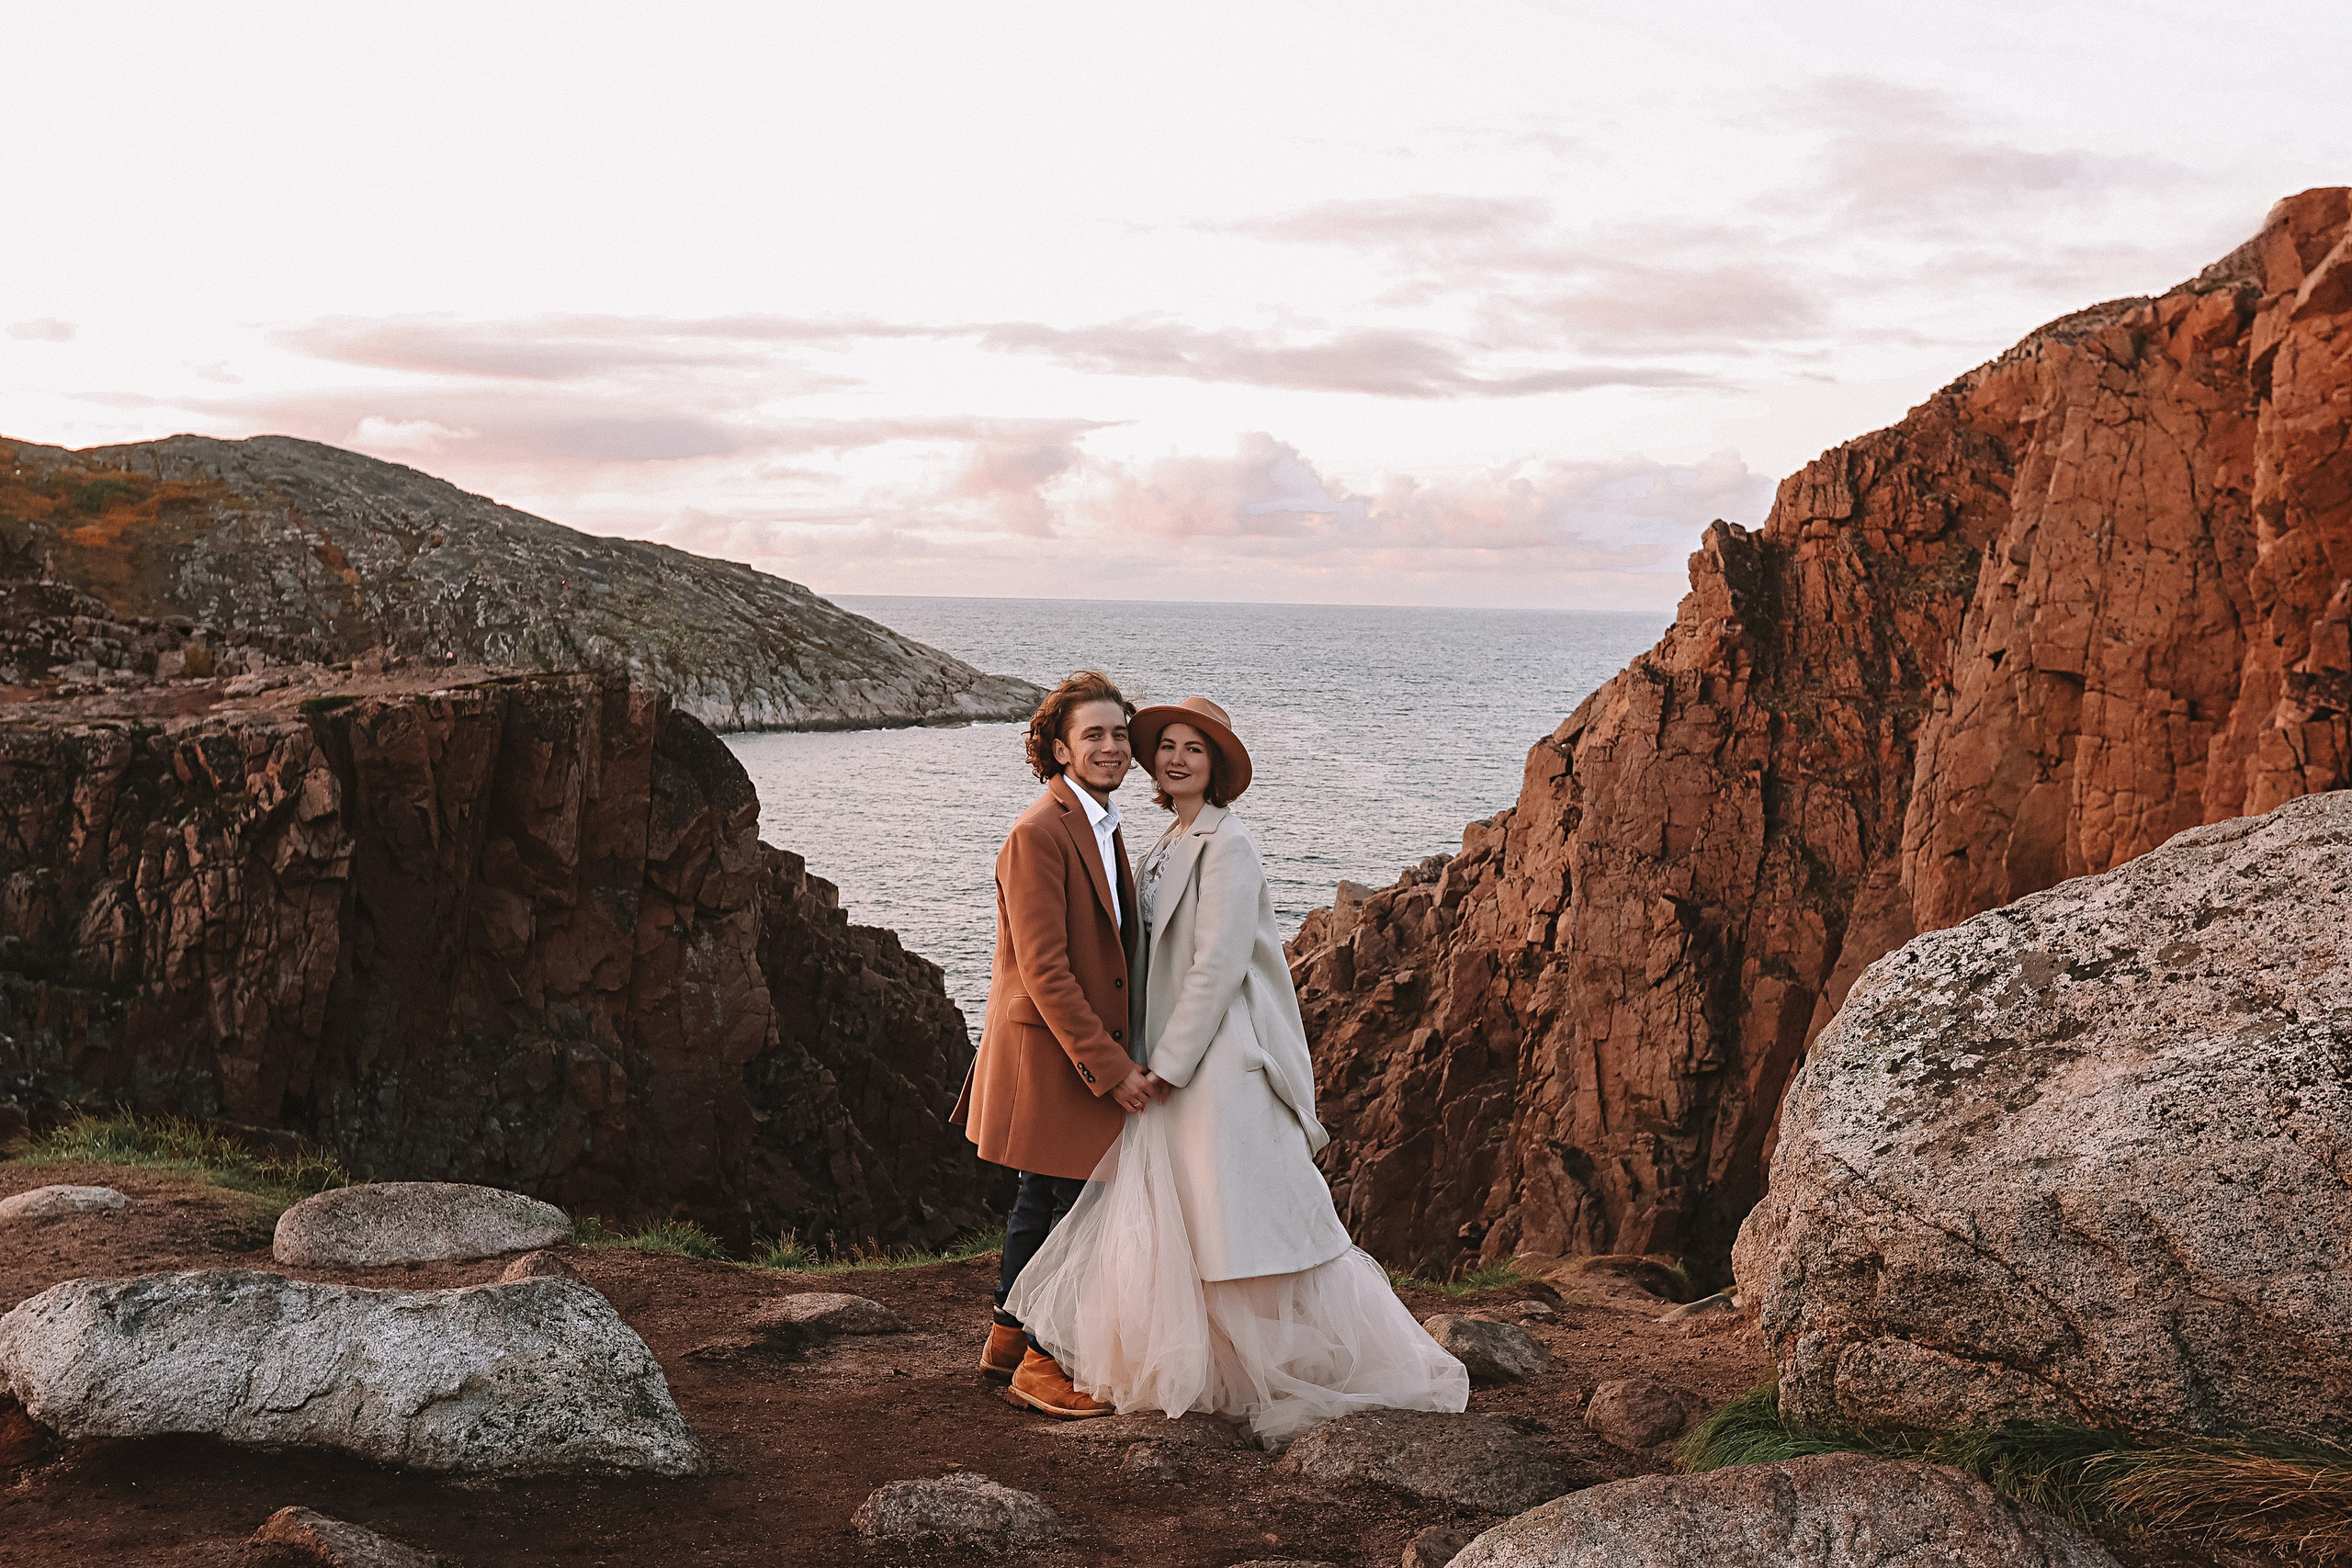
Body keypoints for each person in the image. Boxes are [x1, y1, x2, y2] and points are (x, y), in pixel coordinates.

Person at [1007, 696, 1469, 1441]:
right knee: (1188, 1216)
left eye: (1196, 748)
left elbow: (1217, 967)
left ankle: (1266, 1366)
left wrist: (1168, 1064)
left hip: (1214, 1061)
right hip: (1163, 1061)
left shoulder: (1228, 843)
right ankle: (1195, 1362)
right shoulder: (1163, 842)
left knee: (1237, 1216)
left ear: (1216, 767)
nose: (1178, 758)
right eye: (1168, 746)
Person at [951, 670, 1159, 1419]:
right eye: (1093, 734)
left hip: (1067, 1051)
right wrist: (1113, 1069)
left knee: (1041, 1196)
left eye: (1118, 733)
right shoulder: (1038, 831)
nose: (1111, 746)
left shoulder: (1101, 823)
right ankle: (1047, 1364)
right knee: (1085, 1213)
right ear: (1059, 748)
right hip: (1058, 1056)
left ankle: (1007, 1336)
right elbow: (1045, 968)